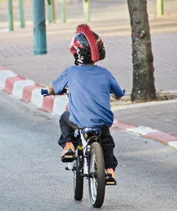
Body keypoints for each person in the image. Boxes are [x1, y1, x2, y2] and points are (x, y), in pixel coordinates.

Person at [44, 24, 125, 183]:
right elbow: (118, 94)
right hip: (102, 123)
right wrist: (119, 93)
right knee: (107, 143)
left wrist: (48, 91)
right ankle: (109, 171)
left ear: (76, 53)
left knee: (64, 119)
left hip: (79, 121)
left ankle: (68, 145)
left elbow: (53, 88)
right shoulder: (105, 73)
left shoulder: (71, 72)